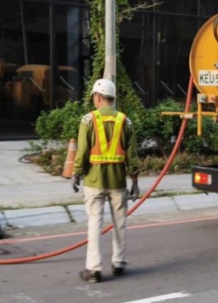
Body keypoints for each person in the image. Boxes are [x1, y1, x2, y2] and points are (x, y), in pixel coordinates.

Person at [73, 79, 141, 283]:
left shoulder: (88, 120)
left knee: (94, 223)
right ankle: (119, 263)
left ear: (98, 97)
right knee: (119, 223)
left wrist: (76, 173)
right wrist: (135, 181)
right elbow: (132, 155)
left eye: (94, 96)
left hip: (94, 182)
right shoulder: (125, 121)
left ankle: (93, 270)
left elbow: (82, 151)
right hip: (118, 182)